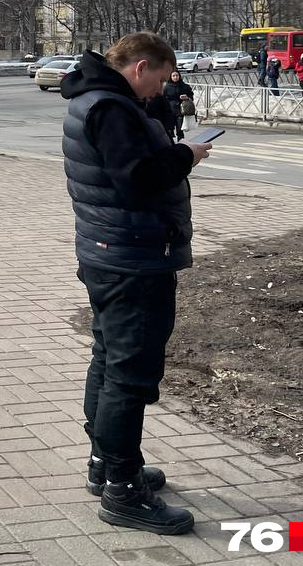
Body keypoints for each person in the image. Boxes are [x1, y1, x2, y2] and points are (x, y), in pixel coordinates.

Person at [60, 32, 211, 536]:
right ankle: (123, 490)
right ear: (141, 66)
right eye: (160, 79)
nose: (158, 90)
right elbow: (139, 178)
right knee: (129, 372)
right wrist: (186, 154)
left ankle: (106, 464)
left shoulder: (93, 99)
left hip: (109, 251)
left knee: (109, 358)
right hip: (132, 256)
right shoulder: (112, 108)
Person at [161, 71, 194, 141]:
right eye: (173, 76)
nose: (175, 77)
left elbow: (191, 95)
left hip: (181, 111)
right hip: (169, 111)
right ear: (170, 77)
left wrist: (187, 97)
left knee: (180, 130)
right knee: (169, 130)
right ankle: (170, 146)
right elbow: (162, 98)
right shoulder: (166, 87)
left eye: (177, 75)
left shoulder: (184, 86)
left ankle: (181, 145)